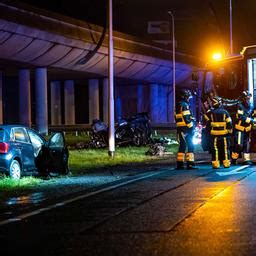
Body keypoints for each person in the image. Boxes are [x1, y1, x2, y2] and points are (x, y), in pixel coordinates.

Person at [204, 96, 233, 169]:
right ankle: (226, 163)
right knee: (225, 149)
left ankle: (216, 164)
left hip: (214, 135)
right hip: (224, 135)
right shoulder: (225, 112)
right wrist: (229, 132)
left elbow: (206, 122)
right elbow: (229, 124)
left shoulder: (210, 113)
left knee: (215, 149)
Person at [175, 89, 198, 170]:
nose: (189, 99)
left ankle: (180, 164)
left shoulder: (178, 105)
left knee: (182, 146)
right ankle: (190, 164)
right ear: (185, 97)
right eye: (188, 97)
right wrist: (191, 127)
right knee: (190, 146)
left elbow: (179, 117)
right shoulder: (185, 105)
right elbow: (186, 118)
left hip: (180, 129)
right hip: (186, 129)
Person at [231, 90, 255, 165]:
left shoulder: (251, 106)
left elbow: (252, 115)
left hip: (247, 129)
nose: (248, 100)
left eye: (249, 98)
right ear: (244, 98)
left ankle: (246, 159)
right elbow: (241, 117)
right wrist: (251, 120)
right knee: (239, 145)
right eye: (247, 98)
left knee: (246, 145)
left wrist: (253, 119)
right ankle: (234, 158)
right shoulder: (240, 106)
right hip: (240, 129)